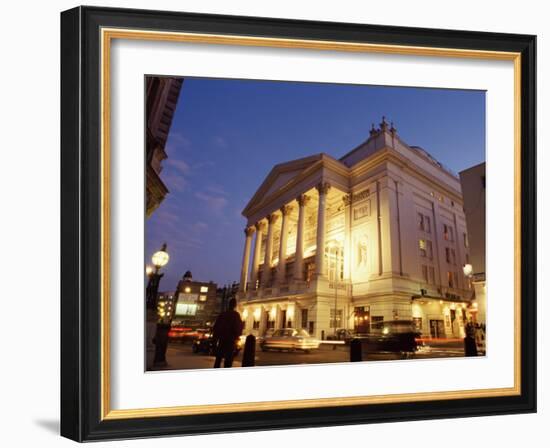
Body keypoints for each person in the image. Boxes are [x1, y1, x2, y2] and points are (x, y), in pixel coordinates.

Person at [212, 298, 244, 368]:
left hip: (221, 340)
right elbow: (239, 327)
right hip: (230, 340)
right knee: (228, 361)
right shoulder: (235, 315)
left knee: (218, 359)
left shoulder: (222, 314)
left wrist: (214, 341)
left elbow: (216, 328)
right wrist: (237, 336)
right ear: (235, 305)